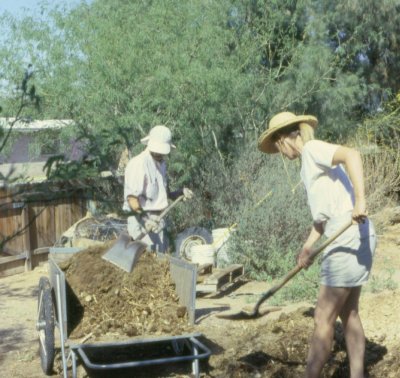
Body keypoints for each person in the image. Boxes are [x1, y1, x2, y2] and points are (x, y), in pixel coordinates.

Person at [257, 111, 376, 378]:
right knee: (349, 313)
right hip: (349, 231)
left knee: (322, 316)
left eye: (277, 148)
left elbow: (352, 154)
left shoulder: (312, 149)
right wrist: (307, 247)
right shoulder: (308, 164)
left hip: (348, 231)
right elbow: (322, 221)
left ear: (282, 140)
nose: (280, 156)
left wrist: (361, 200)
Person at [123, 125, 193, 253]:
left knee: (160, 259)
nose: (160, 154)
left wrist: (179, 193)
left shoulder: (161, 164)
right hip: (141, 221)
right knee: (146, 265)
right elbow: (131, 198)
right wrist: (146, 219)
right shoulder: (139, 164)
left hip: (159, 219)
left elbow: (164, 195)